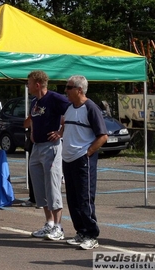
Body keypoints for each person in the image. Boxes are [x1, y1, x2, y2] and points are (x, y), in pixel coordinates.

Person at [62, 75, 108, 250]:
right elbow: (66, 127)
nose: (65, 90)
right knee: (72, 198)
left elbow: (103, 136)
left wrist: (87, 153)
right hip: (68, 158)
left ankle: (91, 234)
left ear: (79, 90)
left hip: (82, 159)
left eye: (69, 87)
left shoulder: (90, 108)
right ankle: (80, 231)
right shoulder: (69, 107)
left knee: (85, 197)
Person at [26, 71, 70, 241]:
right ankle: (49, 223)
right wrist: (32, 132)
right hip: (36, 147)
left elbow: (72, 111)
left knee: (52, 186)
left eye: (29, 83)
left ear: (37, 84)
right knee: (39, 187)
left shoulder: (55, 98)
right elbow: (34, 119)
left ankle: (59, 227)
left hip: (51, 147)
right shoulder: (35, 101)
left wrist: (61, 131)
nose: (27, 86)